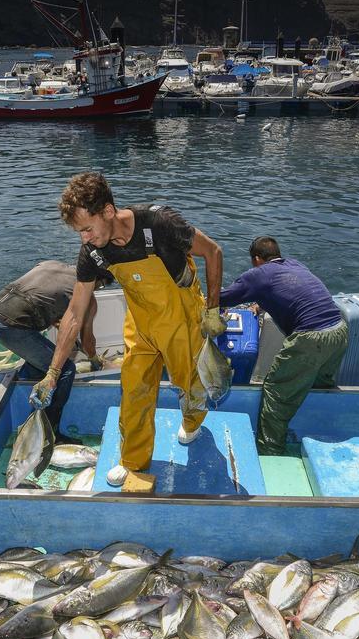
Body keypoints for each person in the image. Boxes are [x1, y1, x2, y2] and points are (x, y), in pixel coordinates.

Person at [32, 172, 226, 486]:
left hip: (181, 316)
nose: (84, 238)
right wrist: (53, 372)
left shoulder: (160, 223)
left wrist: (214, 308)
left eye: (87, 229)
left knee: (191, 383)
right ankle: (133, 460)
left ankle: (192, 423)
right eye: (79, 232)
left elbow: (213, 252)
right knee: (133, 390)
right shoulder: (93, 252)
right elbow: (74, 313)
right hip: (140, 321)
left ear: (107, 211)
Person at [219, 236, 348, 455]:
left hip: (310, 339)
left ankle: (270, 453)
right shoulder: (295, 264)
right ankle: (313, 432)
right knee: (317, 386)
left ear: (257, 259)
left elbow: (221, 298)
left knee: (276, 394)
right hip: (339, 331)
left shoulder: (258, 274)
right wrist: (259, 306)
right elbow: (289, 290)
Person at [0, 260, 102, 442]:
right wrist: (95, 360)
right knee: (65, 370)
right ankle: (50, 435)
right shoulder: (87, 297)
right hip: (13, 327)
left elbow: (44, 300)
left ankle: (31, 416)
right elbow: (87, 342)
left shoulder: (52, 264)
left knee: (41, 365)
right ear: (98, 283)